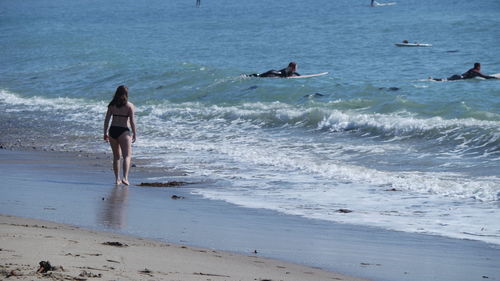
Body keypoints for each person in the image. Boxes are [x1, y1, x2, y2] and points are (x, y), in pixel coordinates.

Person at [103, 85, 137, 185]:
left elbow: (106, 120)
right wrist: (134, 133)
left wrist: (105, 133)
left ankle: (117, 179)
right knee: (127, 156)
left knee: (116, 156)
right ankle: (125, 178)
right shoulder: (129, 106)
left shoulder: (111, 105)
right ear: (126, 94)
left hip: (112, 130)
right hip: (123, 131)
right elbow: (132, 121)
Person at [430, 63, 499, 81]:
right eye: (480, 67)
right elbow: (485, 77)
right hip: (459, 78)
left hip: (458, 76)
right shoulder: (476, 72)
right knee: (446, 80)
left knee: (446, 79)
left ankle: (433, 79)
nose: (480, 68)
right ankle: (433, 79)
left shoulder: (471, 69)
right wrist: (495, 78)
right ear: (478, 67)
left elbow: (465, 74)